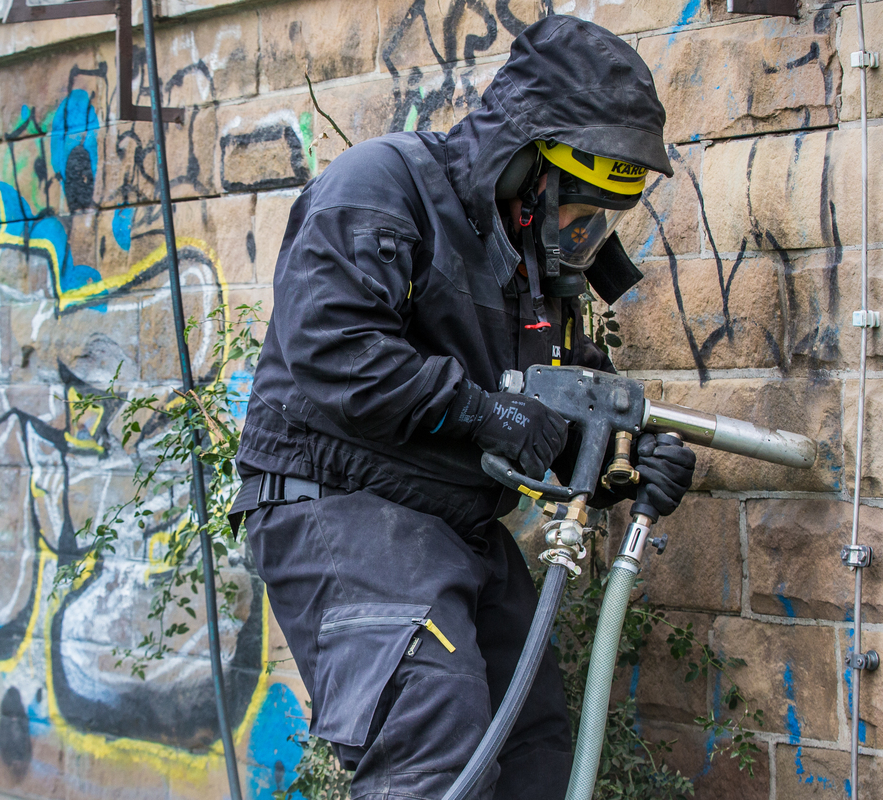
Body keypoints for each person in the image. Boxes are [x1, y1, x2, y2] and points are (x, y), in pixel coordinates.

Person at [230, 16, 696, 800]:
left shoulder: (544, 267)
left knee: (535, 745)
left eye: (601, 218)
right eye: (574, 205)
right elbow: (334, 350)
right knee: (432, 737)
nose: (580, 232)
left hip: (454, 521)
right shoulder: (384, 185)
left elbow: (563, 409)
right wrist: (486, 415)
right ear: (524, 161)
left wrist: (622, 461)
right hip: (338, 502)